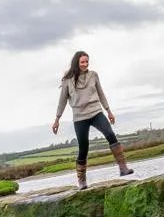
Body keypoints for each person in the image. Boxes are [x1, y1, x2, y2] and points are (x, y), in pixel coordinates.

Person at [52, 51, 134, 189]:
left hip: (96, 112)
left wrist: (108, 111)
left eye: (86, 61)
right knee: (83, 147)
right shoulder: (68, 81)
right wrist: (57, 119)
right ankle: (82, 181)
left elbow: (101, 93)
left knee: (110, 134)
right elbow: (62, 101)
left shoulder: (93, 75)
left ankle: (123, 168)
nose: (85, 64)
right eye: (82, 62)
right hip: (80, 117)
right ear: (76, 63)